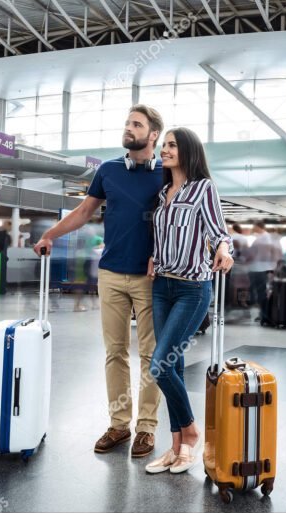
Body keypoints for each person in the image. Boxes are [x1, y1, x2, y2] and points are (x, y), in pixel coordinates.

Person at [34, 104, 165, 458]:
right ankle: (119, 424)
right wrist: (49, 234)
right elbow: (83, 212)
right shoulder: (108, 170)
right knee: (115, 352)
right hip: (111, 274)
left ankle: (147, 427)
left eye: (136, 124)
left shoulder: (166, 173)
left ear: (153, 134)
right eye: (127, 123)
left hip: (150, 277)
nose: (128, 128)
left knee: (151, 354)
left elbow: (183, 217)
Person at [145, 127, 233, 475]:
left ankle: (192, 433)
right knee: (175, 367)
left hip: (192, 289)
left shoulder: (203, 188)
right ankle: (177, 446)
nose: (164, 150)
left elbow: (219, 231)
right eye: (163, 145)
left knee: (159, 366)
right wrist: (154, 257)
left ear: (187, 150)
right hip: (161, 286)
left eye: (171, 145)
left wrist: (224, 249)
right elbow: (161, 237)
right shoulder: (163, 192)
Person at [247, 221, 280, 314]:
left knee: (261, 292)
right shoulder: (262, 237)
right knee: (258, 291)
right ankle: (262, 313)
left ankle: (264, 314)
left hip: (260, 269)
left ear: (258, 226)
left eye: (254, 226)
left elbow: (268, 253)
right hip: (257, 268)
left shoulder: (265, 238)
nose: (253, 228)